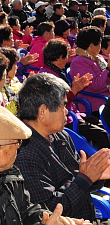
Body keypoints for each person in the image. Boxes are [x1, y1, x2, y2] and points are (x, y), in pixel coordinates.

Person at [16, 73, 110, 222]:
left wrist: (97, 174)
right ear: (43, 112)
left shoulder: (60, 136)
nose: (66, 111)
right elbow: (48, 212)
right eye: (63, 105)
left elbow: (79, 179)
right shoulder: (24, 153)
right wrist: (86, 178)